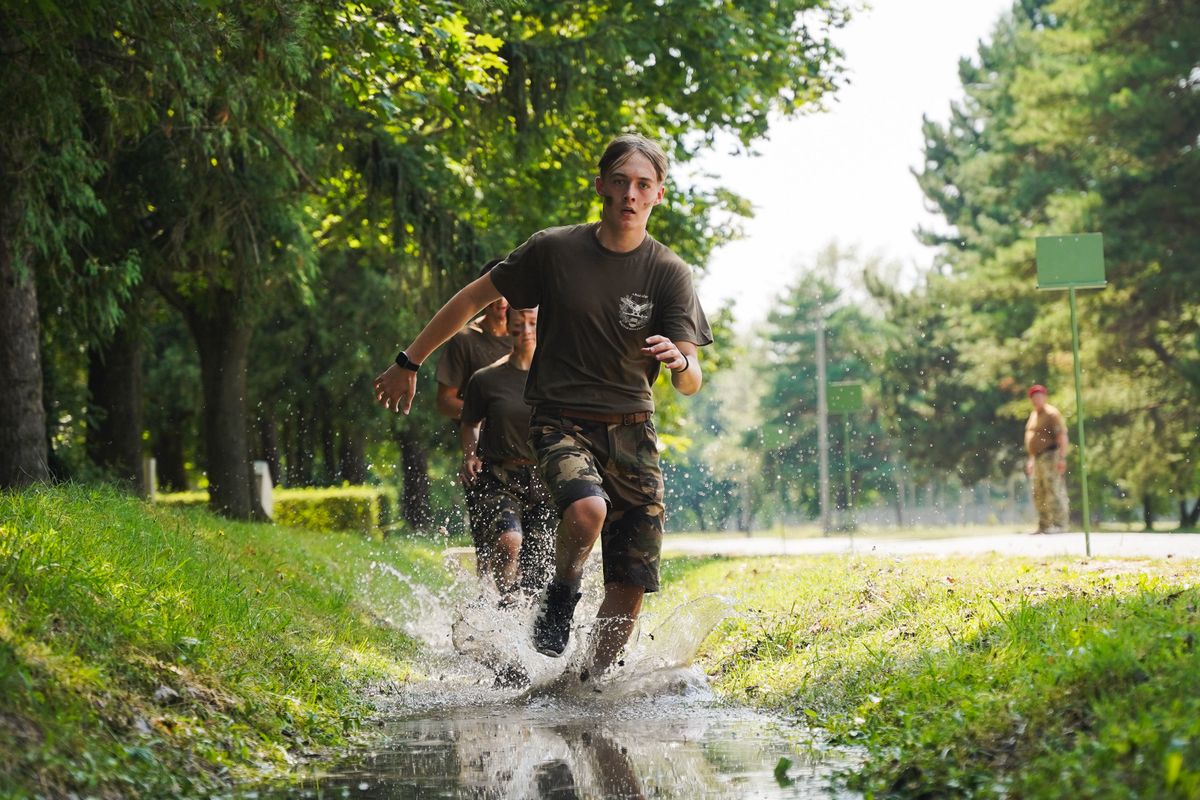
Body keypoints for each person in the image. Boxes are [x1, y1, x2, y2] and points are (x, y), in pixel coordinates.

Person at [374, 133, 711, 680]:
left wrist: (679, 361)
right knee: (587, 510)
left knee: (629, 588)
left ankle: (584, 688)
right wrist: (408, 361)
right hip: (560, 422)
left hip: (634, 432)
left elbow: (691, 381)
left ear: (658, 195)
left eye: (642, 185)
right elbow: (471, 299)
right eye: (620, 181)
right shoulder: (555, 249)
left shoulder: (669, 272)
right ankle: (563, 590)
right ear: (600, 185)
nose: (630, 193)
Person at [459, 306, 555, 602]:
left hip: (547, 480)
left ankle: (526, 617)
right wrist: (470, 454)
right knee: (509, 540)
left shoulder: (559, 377)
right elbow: (469, 423)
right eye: (518, 323)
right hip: (500, 476)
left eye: (532, 323)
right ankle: (505, 602)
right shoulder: (487, 379)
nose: (525, 330)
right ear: (507, 325)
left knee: (539, 566)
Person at [434, 259, 513, 561]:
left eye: (508, 293)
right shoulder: (465, 341)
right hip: (481, 454)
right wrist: (492, 412)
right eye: (494, 293)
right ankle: (485, 603)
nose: (502, 302)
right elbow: (444, 401)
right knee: (490, 546)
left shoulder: (530, 339)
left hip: (526, 453)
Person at [1024, 384, 1069, 533]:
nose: (1036, 399)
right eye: (1034, 397)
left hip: (1050, 456)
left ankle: (1059, 524)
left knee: (1053, 489)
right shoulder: (1034, 415)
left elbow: (1061, 436)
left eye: (1039, 396)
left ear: (1045, 397)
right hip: (1037, 458)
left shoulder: (1052, 414)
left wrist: (1062, 458)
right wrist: (1031, 460)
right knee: (1038, 491)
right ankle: (1044, 524)